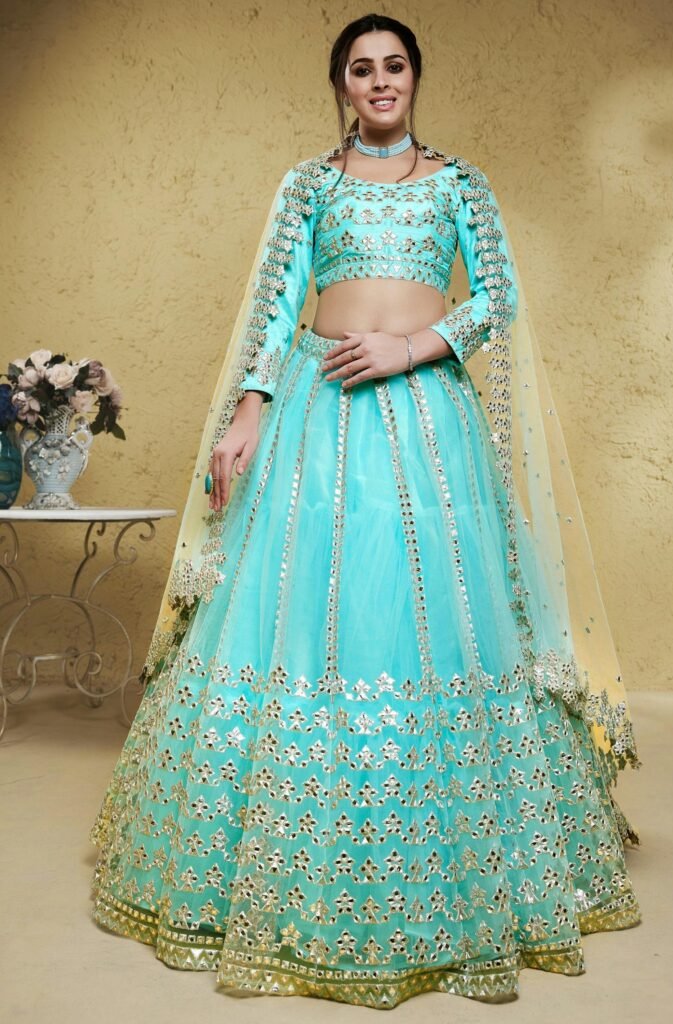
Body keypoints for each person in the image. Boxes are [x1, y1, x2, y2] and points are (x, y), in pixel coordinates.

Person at [88, 12, 643, 1009]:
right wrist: (248, 410)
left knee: (425, 618)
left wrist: (412, 346)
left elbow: (498, 299)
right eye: (361, 69)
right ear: (341, 84)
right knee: (308, 618)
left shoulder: (460, 183)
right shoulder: (310, 185)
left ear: (415, 77)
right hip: (317, 411)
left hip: (427, 418)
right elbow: (277, 303)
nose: (379, 81)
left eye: (394, 66)